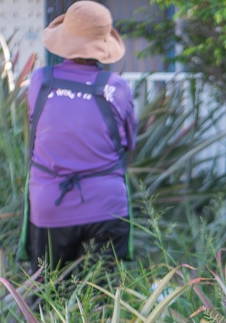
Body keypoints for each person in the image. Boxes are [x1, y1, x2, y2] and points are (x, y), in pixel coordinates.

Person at [19, 0, 138, 272]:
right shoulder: (116, 88)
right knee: (105, 299)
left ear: (64, 40)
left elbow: (40, 130)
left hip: (50, 206)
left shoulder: (41, 82)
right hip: (107, 207)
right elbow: (129, 143)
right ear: (104, 45)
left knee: (49, 295)